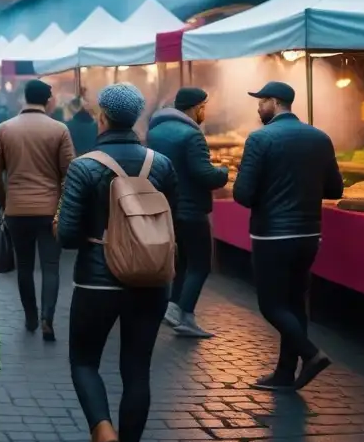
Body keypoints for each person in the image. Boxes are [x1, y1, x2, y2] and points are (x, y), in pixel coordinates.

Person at [55, 83, 179, 442]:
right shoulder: (161, 163)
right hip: (152, 279)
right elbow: (174, 218)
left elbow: (67, 236)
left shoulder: (85, 166)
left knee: (84, 360)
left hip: (98, 280)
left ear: (102, 117)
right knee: (137, 370)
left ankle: (103, 427)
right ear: (136, 117)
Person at [233, 81, 342, 391]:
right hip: (309, 234)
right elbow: (335, 189)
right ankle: (284, 373)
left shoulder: (259, 139)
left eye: (261, 101)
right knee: (294, 304)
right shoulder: (320, 138)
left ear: (276, 102)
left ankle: (311, 354)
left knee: (271, 305)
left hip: (272, 236)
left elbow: (242, 194)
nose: (258, 107)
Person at [0, 80, 74, 340]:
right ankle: (48, 317)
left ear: (24, 98)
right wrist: (63, 203)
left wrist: (4, 200)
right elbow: (71, 172)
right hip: (50, 211)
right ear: (48, 101)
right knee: (50, 265)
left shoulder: (5, 129)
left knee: (24, 266)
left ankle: (31, 317)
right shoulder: (60, 130)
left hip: (17, 210)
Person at [146, 87, 229, 337]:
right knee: (201, 264)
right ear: (197, 107)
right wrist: (223, 171)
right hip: (192, 209)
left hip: (167, 207)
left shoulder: (155, 131)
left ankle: (173, 308)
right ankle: (186, 314)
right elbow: (204, 174)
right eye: (205, 106)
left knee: (181, 261)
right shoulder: (191, 135)